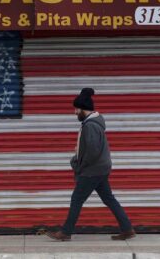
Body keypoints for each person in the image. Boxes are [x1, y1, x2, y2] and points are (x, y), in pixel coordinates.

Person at [46, 87, 135, 241]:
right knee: (108, 199)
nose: (75, 112)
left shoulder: (91, 126)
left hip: (93, 170)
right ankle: (127, 229)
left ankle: (66, 232)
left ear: (83, 109)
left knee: (77, 199)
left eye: (76, 109)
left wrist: (79, 165)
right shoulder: (93, 123)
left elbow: (92, 151)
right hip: (101, 168)